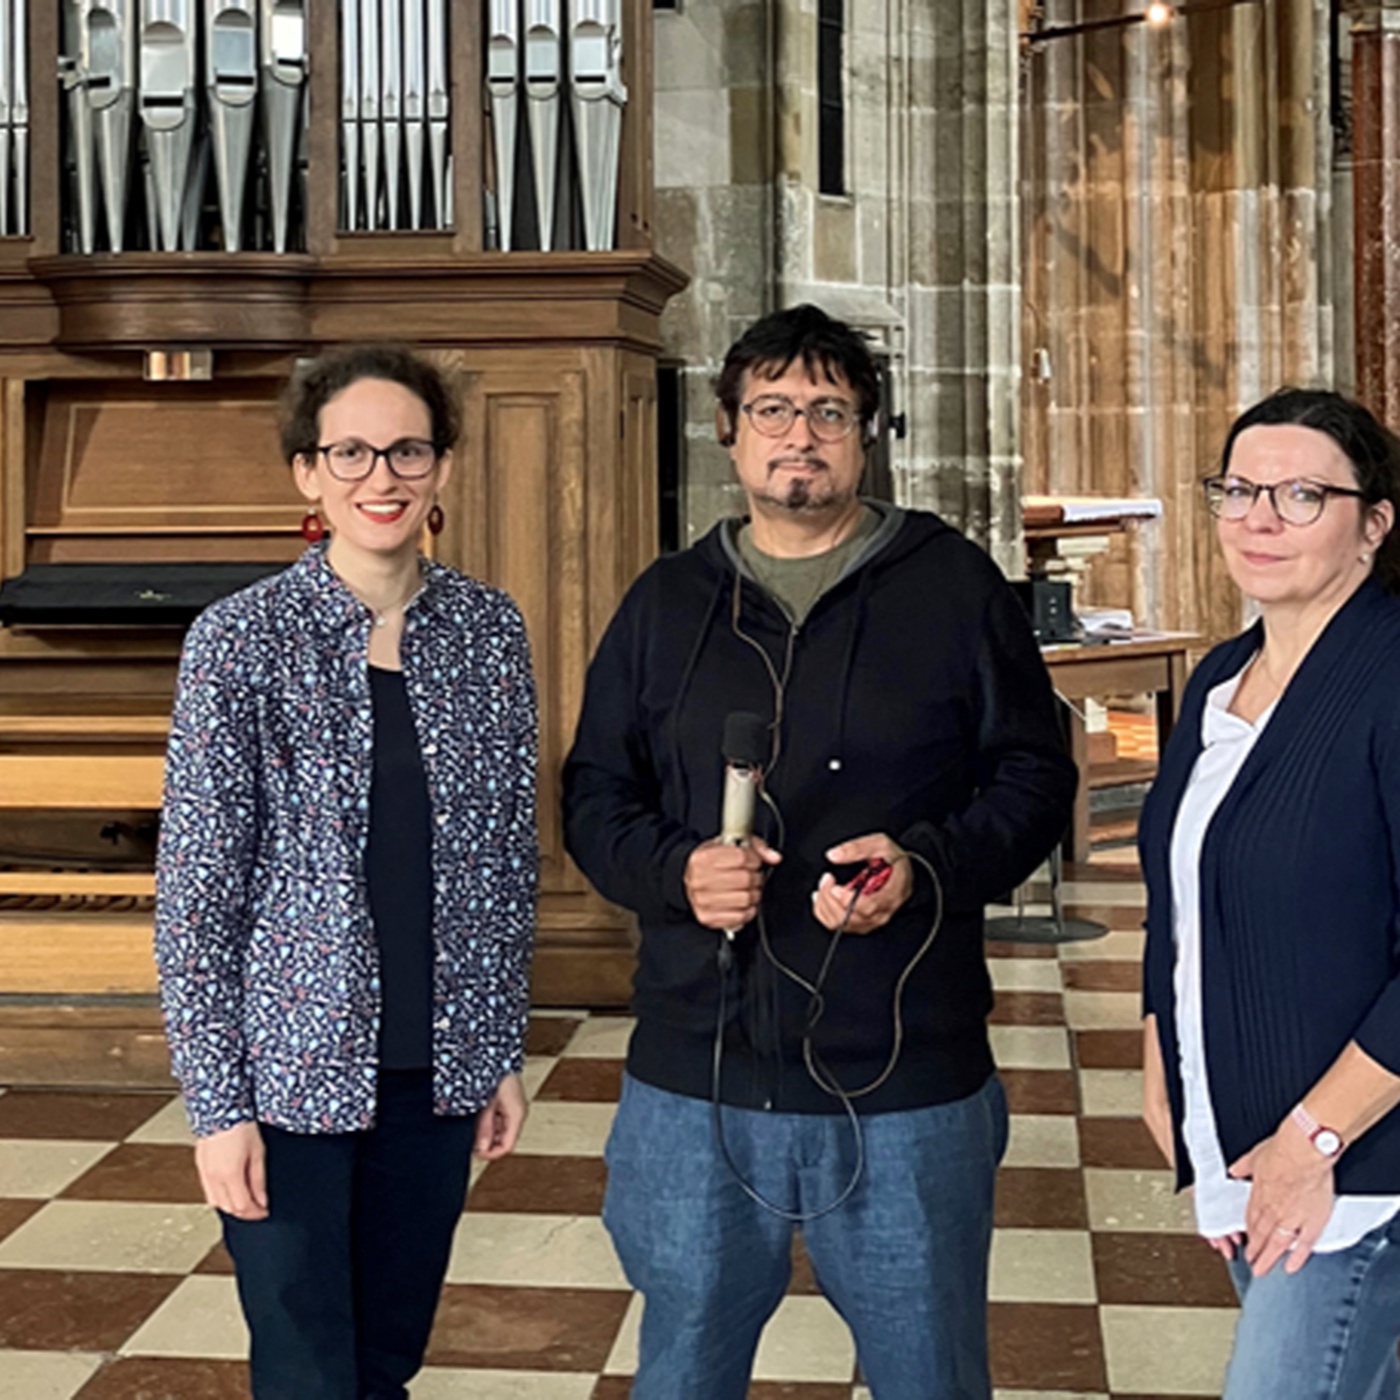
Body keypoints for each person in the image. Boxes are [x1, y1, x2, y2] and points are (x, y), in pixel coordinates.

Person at [561, 304, 1076, 1399]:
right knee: (682, 1370)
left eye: (829, 411)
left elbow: (1034, 776)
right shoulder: (665, 603)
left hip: (902, 1072)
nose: (800, 435)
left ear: (867, 431)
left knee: (924, 1372)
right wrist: (674, 871)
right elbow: (594, 792)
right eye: (774, 409)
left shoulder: (952, 586)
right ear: (726, 428)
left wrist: (923, 866)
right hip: (695, 1074)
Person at [154, 345, 539, 1400]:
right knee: (306, 1366)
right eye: (352, 452)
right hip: (288, 1075)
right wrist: (216, 1104)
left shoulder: (489, 633)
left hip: (434, 1064)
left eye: (408, 448)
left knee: (386, 1357)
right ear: (306, 474)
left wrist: (495, 1047)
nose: (383, 477)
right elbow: (196, 896)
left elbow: (503, 868)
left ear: (443, 467)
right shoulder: (238, 642)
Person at [1139, 388, 1400, 1400]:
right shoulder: (1217, 679)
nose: (1256, 515)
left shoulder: (1384, 673)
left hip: (1353, 1170)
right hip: (1247, 1144)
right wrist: (1159, 1045)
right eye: (1237, 488)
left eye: (1300, 494)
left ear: (1370, 524)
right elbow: (1180, 893)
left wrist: (1313, 1138)